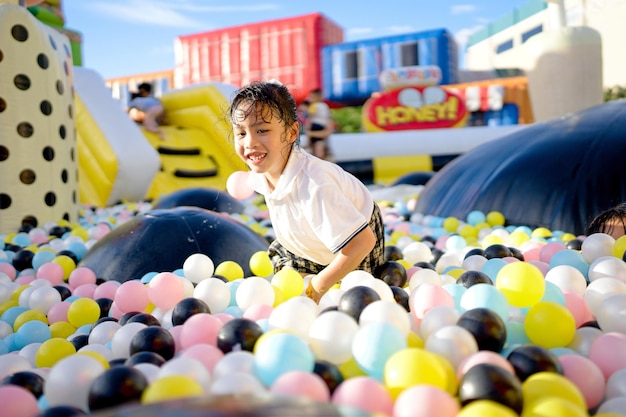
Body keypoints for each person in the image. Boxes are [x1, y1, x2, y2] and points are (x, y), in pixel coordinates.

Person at [228, 80, 385, 302]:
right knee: (281, 263)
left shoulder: (314, 186)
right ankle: (313, 271)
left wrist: (318, 287)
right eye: (241, 133)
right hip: (305, 242)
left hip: (356, 237)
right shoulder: (265, 169)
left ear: (292, 133)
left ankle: (329, 276)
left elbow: (363, 242)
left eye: (262, 130)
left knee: (350, 296)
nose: (250, 142)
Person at [304, 88, 333, 160]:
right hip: (322, 125)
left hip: (315, 125)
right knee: (319, 141)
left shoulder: (314, 105)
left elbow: (311, 116)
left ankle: (307, 143)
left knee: (315, 141)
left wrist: (308, 125)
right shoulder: (325, 106)